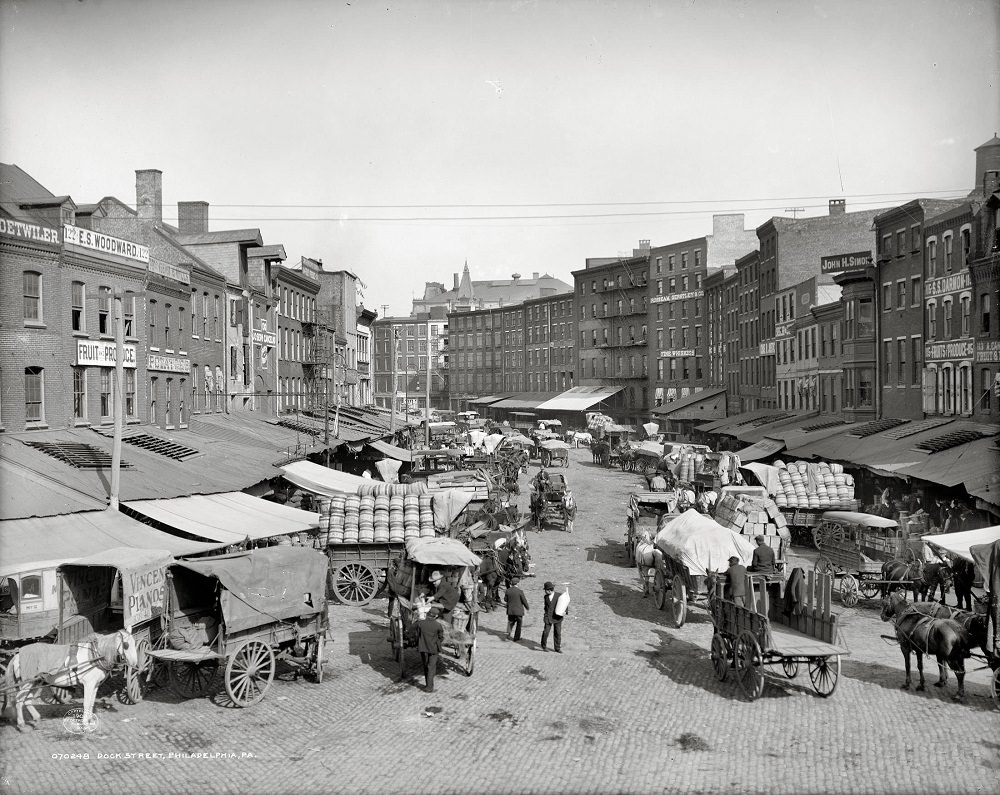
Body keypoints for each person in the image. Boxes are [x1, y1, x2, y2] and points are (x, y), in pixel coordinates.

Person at [409, 607, 445, 692]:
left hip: (423, 648)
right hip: (434, 649)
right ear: (435, 616)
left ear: (427, 614)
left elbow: (411, 629)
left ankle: (428, 685)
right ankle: (429, 687)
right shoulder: (438, 625)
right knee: (431, 667)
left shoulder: (420, 623)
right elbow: (441, 637)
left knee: (426, 665)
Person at [540, 581, 565, 653]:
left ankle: (557, 648)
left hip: (557, 617)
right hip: (548, 617)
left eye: (545, 590)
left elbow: (564, 604)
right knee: (546, 632)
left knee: (557, 633)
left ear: (549, 590)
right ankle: (543, 646)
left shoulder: (559, 596)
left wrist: (564, 612)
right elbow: (546, 607)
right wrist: (545, 615)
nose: (545, 592)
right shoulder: (546, 597)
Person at [504, 576, 529, 641]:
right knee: (519, 624)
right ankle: (516, 638)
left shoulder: (508, 591)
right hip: (518, 610)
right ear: (517, 583)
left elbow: (505, 599)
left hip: (510, 610)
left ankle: (508, 635)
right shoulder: (520, 591)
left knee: (510, 622)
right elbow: (524, 600)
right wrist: (527, 607)